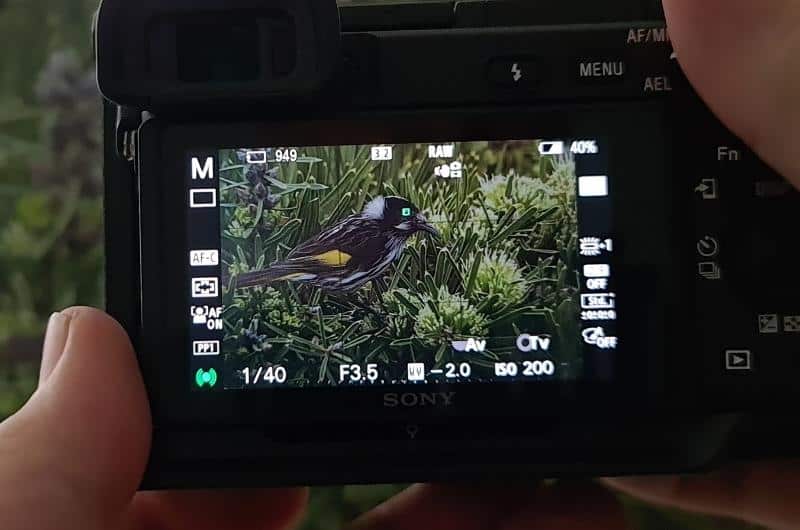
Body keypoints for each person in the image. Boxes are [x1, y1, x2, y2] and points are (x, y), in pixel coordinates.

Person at [1, 1, 798, 529]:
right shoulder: (372, 239)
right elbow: (335, 261)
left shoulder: (383, 235)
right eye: (407, 219)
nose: (413, 229)